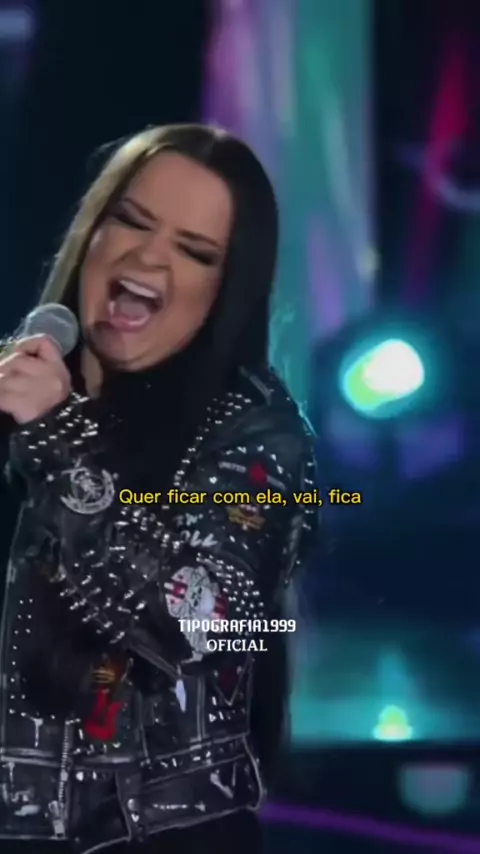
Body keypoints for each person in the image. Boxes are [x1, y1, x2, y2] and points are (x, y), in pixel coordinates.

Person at [0, 124, 318, 853]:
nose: (146, 258)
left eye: (194, 251)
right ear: (91, 234)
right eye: (132, 221)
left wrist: (57, 443)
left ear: (226, 288)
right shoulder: (14, 395)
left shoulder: (256, 435)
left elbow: (202, 623)